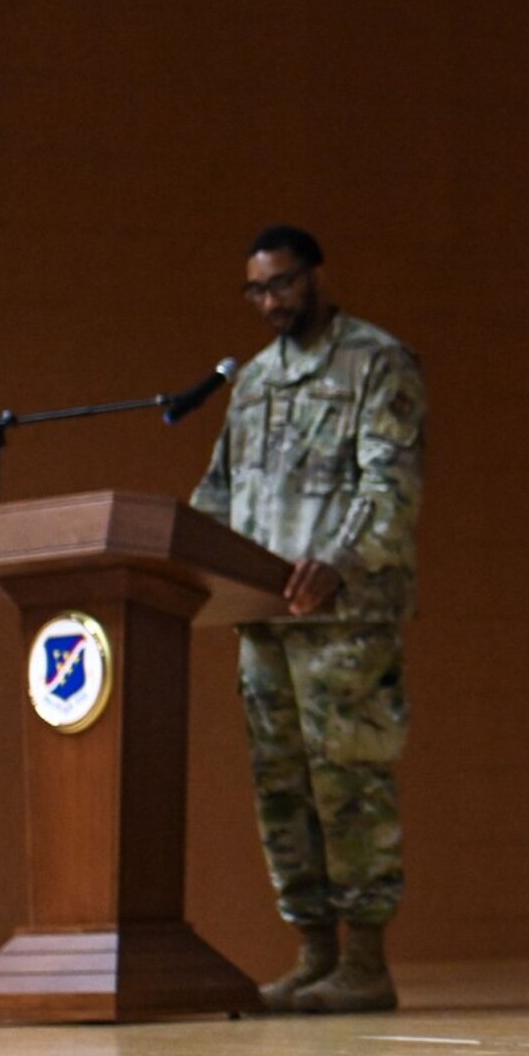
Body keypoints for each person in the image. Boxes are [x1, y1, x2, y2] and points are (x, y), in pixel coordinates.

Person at [190, 224, 427, 1014]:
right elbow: (219, 492)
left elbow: (390, 487)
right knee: (280, 790)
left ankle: (365, 962)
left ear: (317, 276)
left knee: (347, 783)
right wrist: (186, 555)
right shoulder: (253, 381)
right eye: (256, 291)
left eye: (283, 284)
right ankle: (315, 951)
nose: (271, 302)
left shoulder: (376, 361)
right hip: (262, 622)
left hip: (344, 621)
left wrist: (340, 562)